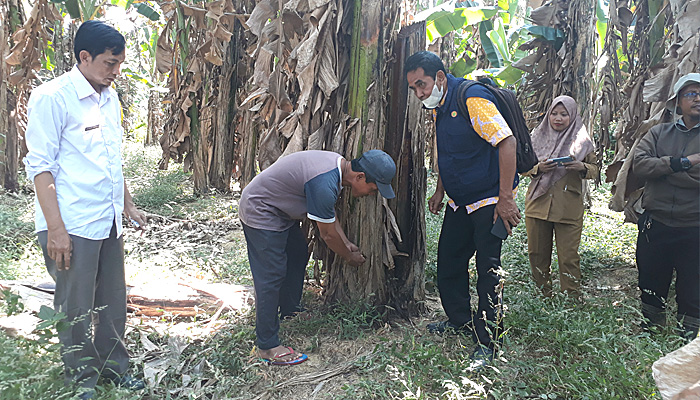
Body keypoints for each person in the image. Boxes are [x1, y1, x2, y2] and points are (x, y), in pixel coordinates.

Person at [23, 20, 146, 398]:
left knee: (112, 301)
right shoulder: (53, 97)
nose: (116, 72)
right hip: (72, 221)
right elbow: (41, 167)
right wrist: (56, 230)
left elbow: (111, 156)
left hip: (106, 218)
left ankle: (115, 366)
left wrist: (126, 203)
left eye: (120, 64)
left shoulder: (108, 96)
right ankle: (81, 378)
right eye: (110, 63)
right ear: (84, 57)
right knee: (74, 305)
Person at [404, 51, 520, 366]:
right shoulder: (440, 106)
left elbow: (506, 142)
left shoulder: (471, 98)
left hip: (487, 201)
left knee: (488, 271)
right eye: (414, 88)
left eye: (421, 85)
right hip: (458, 201)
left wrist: (505, 198)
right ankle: (459, 320)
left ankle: (489, 342)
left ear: (439, 78)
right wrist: (441, 189)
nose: (419, 93)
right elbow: (448, 150)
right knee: (449, 262)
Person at [238, 149, 396, 366]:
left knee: (298, 254)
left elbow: (329, 215)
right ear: (360, 177)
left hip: (280, 212)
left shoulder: (336, 169)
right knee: (271, 275)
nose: (372, 193)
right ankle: (267, 346)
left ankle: (290, 310)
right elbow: (328, 235)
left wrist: (347, 242)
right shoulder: (325, 183)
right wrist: (348, 256)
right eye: (373, 188)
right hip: (261, 209)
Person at [633, 72, 700, 341]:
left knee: (693, 287)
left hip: (694, 225)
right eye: (691, 94)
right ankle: (651, 333)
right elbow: (640, 166)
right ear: (678, 102)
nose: (698, 99)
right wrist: (684, 163)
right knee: (650, 281)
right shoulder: (659, 132)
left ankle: (689, 339)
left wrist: (663, 168)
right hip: (655, 223)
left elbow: (653, 167)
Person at [523, 96, 597, 300]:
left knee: (569, 258)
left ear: (572, 116)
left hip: (568, 207)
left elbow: (596, 170)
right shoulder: (536, 136)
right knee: (537, 255)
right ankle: (541, 297)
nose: (558, 118)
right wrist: (538, 168)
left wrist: (581, 167)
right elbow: (522, 166)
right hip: (538, 204)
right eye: (554, 113)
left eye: (564, 114)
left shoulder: (582, 140)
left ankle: (571, 300)